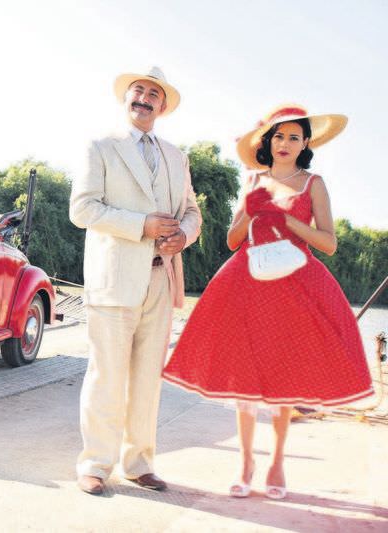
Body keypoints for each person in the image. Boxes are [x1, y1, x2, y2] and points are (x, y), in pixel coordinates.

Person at [162, 104, 374, 500]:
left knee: (283, 374)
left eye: (294, 137)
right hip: (248, 282)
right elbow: (232, 240)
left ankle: (277, 462)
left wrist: (287, 219)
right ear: (268, 141)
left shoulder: (314, 184)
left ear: (305, 143)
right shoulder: (253, 180)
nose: (285, 143)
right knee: (244, 374)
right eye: (279, 136)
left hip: (295, 284)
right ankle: (245, 463)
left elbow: (329, 243)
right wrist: (252, 211)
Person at [69, 66, 202, 495]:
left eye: (153, 94)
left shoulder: (177, 157)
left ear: (162, 107)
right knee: (106, 375)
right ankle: (95, 464)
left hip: (161, 279)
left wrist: (184, 235)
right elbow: (83, 210)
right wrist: (141, 224)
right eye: (138, 90)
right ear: (126, 98)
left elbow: (192, 212)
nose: (144, 98)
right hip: (113, 278)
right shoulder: (100, 147)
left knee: (147, 378)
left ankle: (139, 463)